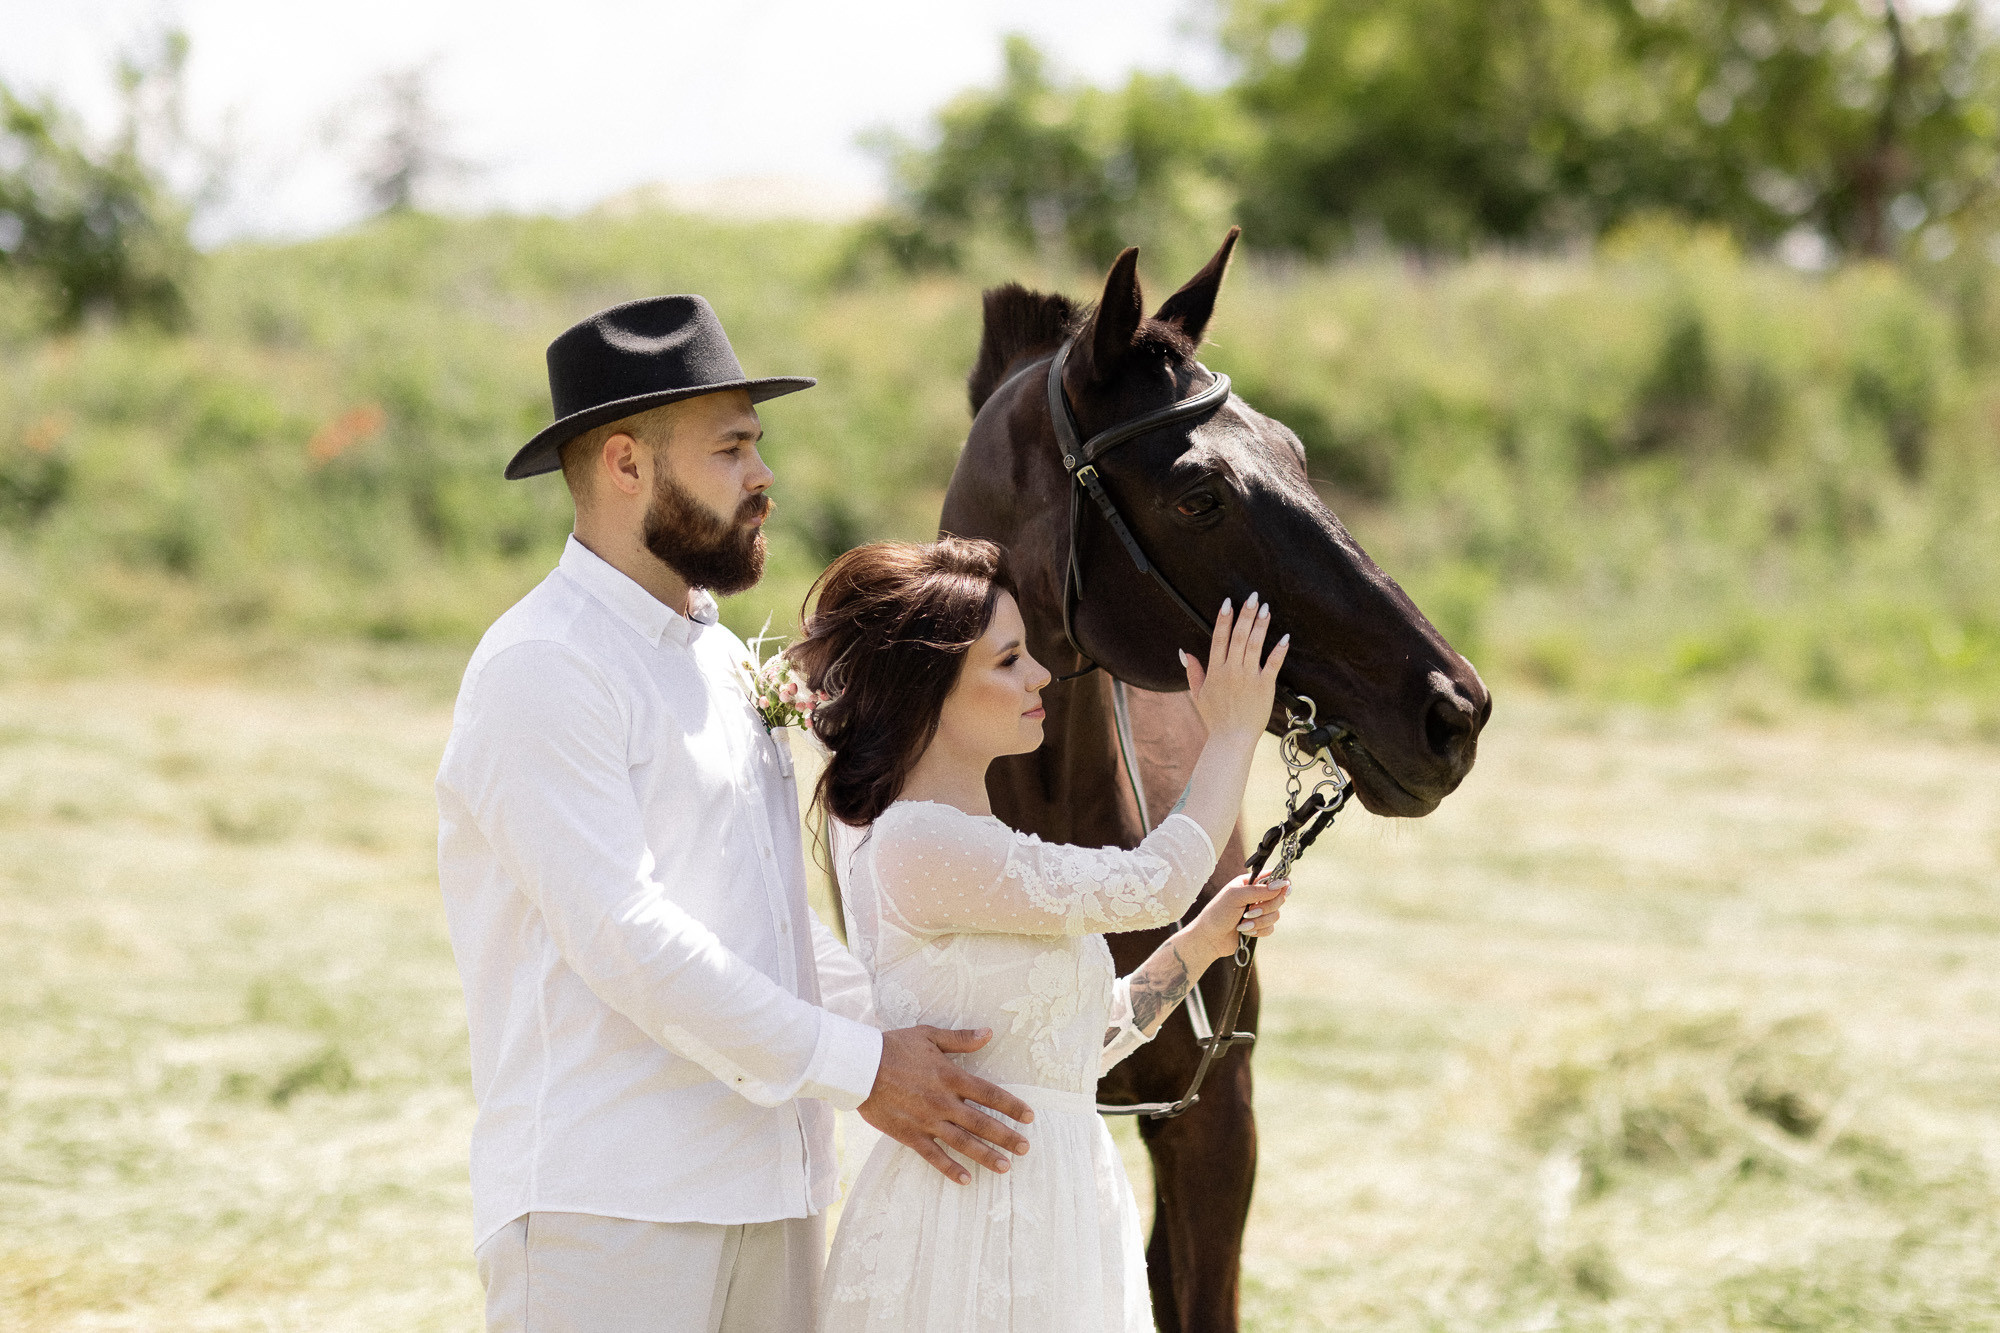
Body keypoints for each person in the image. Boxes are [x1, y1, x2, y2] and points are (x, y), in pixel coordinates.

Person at [435, 297, 1040, 1333]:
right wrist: (863, 1070)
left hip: (774, 1186)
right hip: (612, 1206)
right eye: (731, 449)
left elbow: (763, 920)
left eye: (756, 446)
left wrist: (908, 1033)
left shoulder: (720, 659)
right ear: (626, 465)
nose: (764, 476)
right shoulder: (546, 666)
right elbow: (625, 934)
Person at [789, 538, 1292, 1333]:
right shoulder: (919, 842)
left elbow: (1081, 1044)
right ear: (931, 689)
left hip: (1057, 1212)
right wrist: (1231, 732)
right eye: (1009, 660)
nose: (1041, 677)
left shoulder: (973, 841)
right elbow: (1152, 881)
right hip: (968, 1228)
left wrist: (1203, 938)